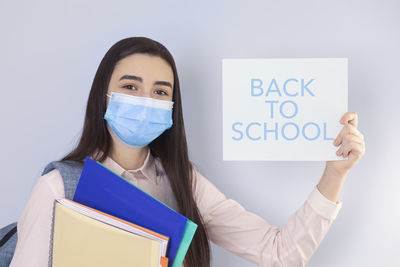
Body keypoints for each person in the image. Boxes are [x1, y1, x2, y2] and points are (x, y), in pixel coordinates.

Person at [9, 37, 365, 267]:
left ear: (172, 107)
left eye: (160, 92)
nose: (146, 100)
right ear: (104, 95)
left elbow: (281, 253)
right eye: (130, 86)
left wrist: (334, 175)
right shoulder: (58, 187)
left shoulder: (184, 182)